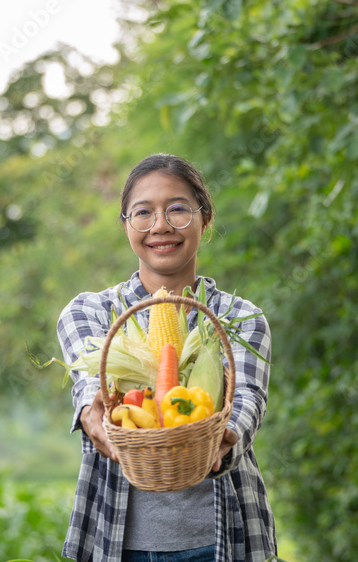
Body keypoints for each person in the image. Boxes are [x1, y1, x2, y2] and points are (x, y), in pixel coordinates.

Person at [56, 154, 277, 561]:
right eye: (143, 213)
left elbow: (247, 400)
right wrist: (93, 414)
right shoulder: (89, 312)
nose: (160, 226)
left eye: (177, 209)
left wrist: (222, 440)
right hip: (116, 538)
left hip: (224, 538)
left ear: (204, 219)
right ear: (126, 225)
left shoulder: (240, 318)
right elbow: (91, 386)